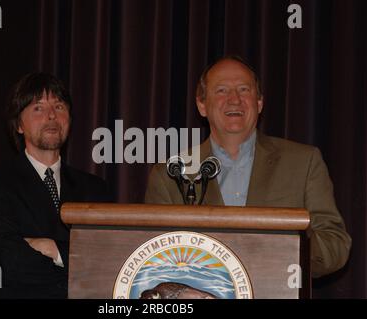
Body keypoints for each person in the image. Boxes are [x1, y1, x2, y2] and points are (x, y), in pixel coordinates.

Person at [145, 56, 351, 278]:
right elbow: (155, 259)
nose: (234, 99)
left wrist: (291, 240)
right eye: (222, 90)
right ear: (202, 105)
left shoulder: (303, 162)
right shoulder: (172, 173)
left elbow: (335, 248)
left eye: (244, 89)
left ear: (259, 102)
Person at [0, 73, 110, 298]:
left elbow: (106, 261)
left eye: (59, 106)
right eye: (38, 108)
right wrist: (74, 261)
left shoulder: (95, 189)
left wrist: (52, 249)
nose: (51, 116)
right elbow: (5, 264)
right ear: (19, 124)